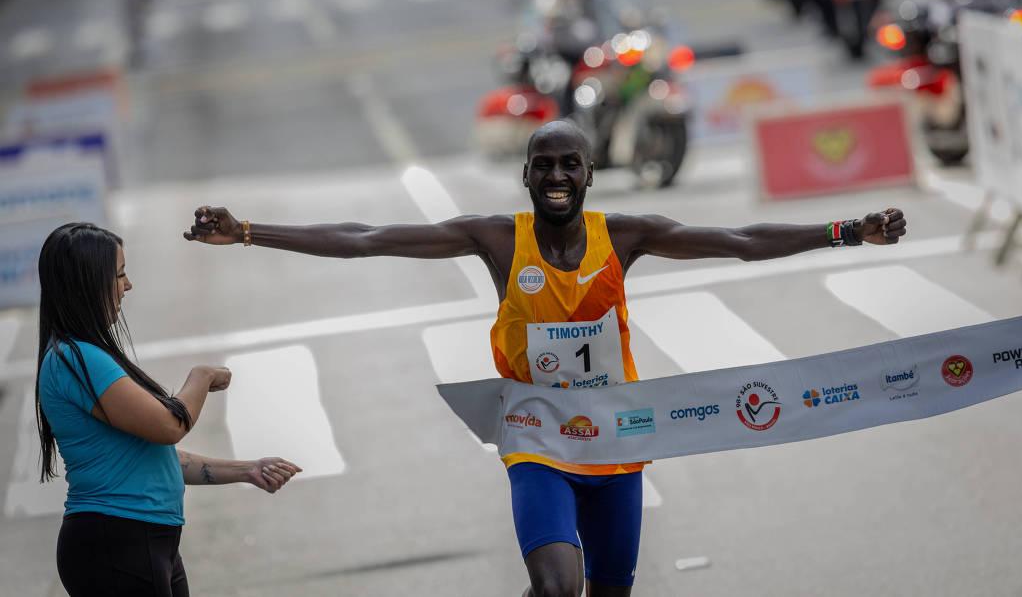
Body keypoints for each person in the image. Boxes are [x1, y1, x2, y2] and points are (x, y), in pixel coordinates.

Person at [183, 120, 907, 597]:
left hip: (619, 446)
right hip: (538, 443)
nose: (555, 175)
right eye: (542, 165)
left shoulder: (623, 235)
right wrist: (245, 230)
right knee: (560, 586)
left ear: (588, 174)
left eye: (569, 164)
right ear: (526, 177)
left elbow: (741, 239)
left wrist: (849, 230)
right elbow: (366, 237)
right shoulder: (499, 240)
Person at [36, 222, 301, 597]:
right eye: (120, 275)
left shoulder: (80, 356)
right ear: (88, 283)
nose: (127, 286)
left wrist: (248, 469)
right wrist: (201, 376)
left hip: (143, 540)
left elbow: (155, 454)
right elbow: (169, 425)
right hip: (117, 541)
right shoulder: (75, 359)